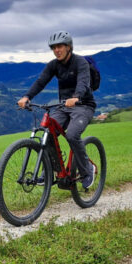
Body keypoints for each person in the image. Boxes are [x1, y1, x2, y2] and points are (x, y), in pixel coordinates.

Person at [18, 31, 97, 189]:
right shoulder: (54, 65)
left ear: (69, 47)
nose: (56, 50)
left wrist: (76, 96)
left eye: (60, 46)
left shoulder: (80, 62)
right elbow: (41, 82)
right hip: (63, 107)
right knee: (47, 131)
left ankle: (88, 170)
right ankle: (53, 169)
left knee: (73, 135)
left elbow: (83, 82)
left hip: (83, 105)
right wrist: (27, 96)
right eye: (53, 47)